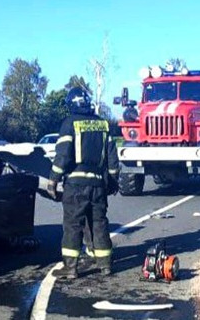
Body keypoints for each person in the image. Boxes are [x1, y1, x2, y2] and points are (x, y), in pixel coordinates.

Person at [46, 87, 120, 279]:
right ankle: (105, 264)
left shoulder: (69, 123)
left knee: (73, 224)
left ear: (71, 104)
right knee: (99, 222)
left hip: (76, 184)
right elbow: (113, 159)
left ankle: (70, 267)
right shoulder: (103, 124)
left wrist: (53, 181)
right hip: (98, 184)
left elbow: (63, 155)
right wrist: (113, 181)